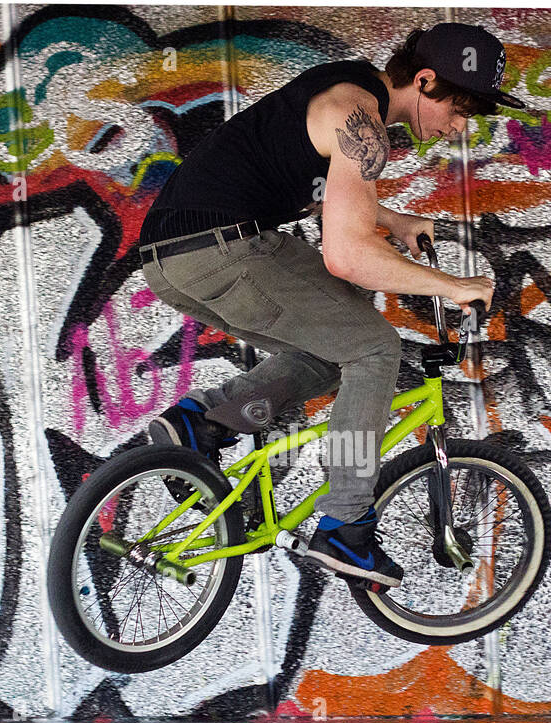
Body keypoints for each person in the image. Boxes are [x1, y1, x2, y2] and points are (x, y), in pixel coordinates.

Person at [137, 23, 525, 588]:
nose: (461, 127)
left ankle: (203, 423)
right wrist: (451, 286)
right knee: (373, 348)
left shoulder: (345, 95)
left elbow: (321, 193)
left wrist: (392, 220)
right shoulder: (360, 118)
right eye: (463, 109)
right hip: (224, 248)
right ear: (425, 81)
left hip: (174, 260)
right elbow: (345, 253)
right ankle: (347, 524)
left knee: (329, 353)